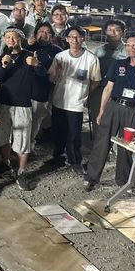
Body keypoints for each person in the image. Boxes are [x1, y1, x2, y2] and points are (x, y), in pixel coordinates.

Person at [84, 35, 135, 191]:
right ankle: (91, 177)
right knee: (102, 142)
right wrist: (101, 111)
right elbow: (108, 88)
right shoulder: (118, 64)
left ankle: (123, 181)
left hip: (134, 111)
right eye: (128, 45)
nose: (130, 48)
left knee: (128, 146)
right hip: (114, 107)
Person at [49, 27, 101, 173]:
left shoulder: (91, 59)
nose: (74, 39)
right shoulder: (60, 56)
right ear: (67, 39)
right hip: (59, 100)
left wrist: (84, 93)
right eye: (71, 37)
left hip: (76, 103)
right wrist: (57, 71)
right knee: (59, 131)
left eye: (78, 36)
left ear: (83, 38)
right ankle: (58, 156)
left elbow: (96, 80)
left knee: (74, 134)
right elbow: (52, 78)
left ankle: (75, 160)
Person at [0, 28, 40, 191]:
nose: (11, 40)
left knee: (23, 138)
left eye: (14, 37)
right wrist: (4, 65)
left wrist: (36, 65)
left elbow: (42, 75)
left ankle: (22, 171)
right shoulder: (2, 57)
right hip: (4, 102)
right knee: (3, 135)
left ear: (21, 39)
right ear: (4, 40)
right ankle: (5, 163)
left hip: (22, 103)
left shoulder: (29, 56)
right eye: (8, 37)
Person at [26, 22, 62, 146]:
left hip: (42, 91)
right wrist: (27, 44)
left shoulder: (57, 52)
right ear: (35, 34)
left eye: (47, 32)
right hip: (25, 89)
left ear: (52, 36)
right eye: (41, 31)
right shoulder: (29, 47)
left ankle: (30, 145)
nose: (44, 34)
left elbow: (56, 74)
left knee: (36, 120)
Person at [88, 19, 128, 128]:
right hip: (99, 90)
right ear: (105, 32)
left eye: (117, 30)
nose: (113, 33)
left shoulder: (128, 51)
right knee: (97, 120)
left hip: (118, 93)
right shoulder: (99, 50)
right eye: (110, 30)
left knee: (116, 123)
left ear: (123, 32)